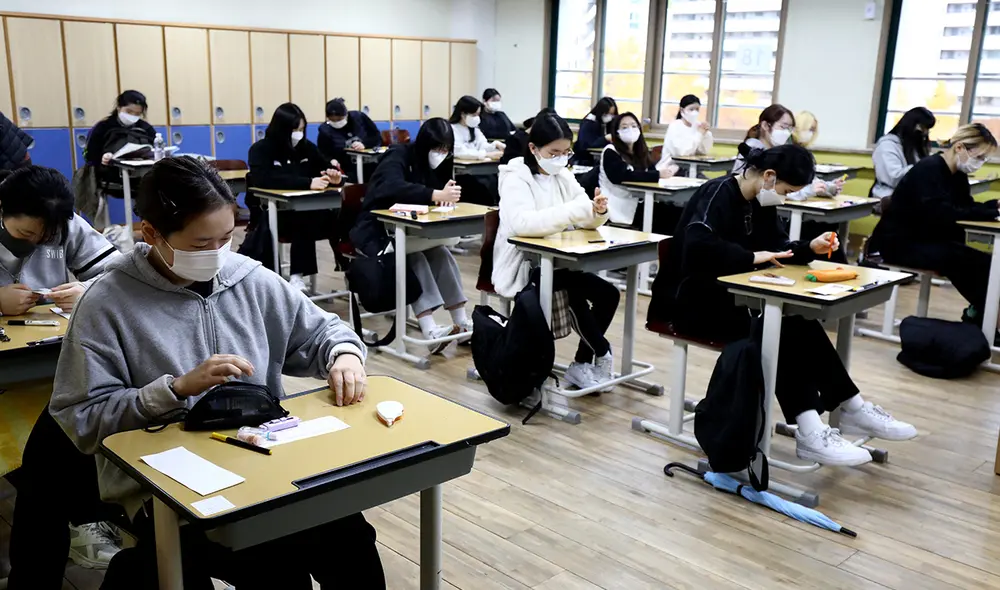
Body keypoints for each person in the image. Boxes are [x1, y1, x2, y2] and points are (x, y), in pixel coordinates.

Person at [47, 156, 385, 590]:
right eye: (200, 244)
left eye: (226, 238)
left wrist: (345, 356)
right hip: (165, 485)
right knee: (274, 566)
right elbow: (81, 419)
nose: (217, 255)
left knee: (348, 535)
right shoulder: (106, 304)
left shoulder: (248, 279)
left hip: (264, 460)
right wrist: (173, 390)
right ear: (151, 234)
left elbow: (326, 331)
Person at [649, 143, 917, 466]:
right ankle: (814, 425)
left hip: (737, 300)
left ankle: (849, 407)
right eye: (787, 191)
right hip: (694, 305)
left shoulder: (763, 203)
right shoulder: (716, 194)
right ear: (769, 176)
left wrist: (809, 249)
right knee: (776, 326)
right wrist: (749, 257)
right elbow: (695, 247)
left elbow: (777, 248)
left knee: (793, 318)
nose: (786, 198)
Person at [3, 166, 125, 590]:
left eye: (46, 238)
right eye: (25, 234)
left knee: (72, 425)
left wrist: (91, 289)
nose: (36, 243)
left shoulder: (64, 224)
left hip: (51, 358)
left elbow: (120, 272)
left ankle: (80, 517)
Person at [495, 110, 620, 391]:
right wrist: (574, 211)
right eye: (554, 152)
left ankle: (581, 363)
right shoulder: (516, 177)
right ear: (533, 148)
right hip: (524, 265)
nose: (562, 158)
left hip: (560, 261)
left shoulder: (562, 175)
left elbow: (583, 212)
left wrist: (598, 211)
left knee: (609, 294)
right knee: (571, 291)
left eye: (567, 151)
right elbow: (521, 224)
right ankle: (603, 352)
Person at [350, 118, 472, 351]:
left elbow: (439, 195)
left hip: (413, 232)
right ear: (424, 144)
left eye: (446, 149)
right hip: (375, 231)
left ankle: (461, 322)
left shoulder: (441, 162)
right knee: (412, 257)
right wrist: (435, 194)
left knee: (441, 253)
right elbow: (391, 187)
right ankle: (429, 328)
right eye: (437, 148)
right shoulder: (398, 155)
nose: (441, 154)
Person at [870, 123, 1000, 333]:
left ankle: (987, 316)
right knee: (962, 259)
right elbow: (942, 213)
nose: (980, 164)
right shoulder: (928, 169)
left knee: (987, 262)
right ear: (959, 147)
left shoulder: (957, 174)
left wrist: (993, 206)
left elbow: (964, 206)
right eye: (979, 157)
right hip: (900, 243)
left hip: (928, 239)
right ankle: (987, 318)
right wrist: (987, 212)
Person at [247, 102, 343, 292]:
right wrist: (307, 183)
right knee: (302, 216)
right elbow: (264, 179)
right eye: (295, 129)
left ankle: (349, 271)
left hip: (309, 213)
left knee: (342, 217)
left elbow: (324, 167)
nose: (299, 134)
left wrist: (335, 178)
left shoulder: (306, 148)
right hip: (274, 214)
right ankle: (296, 276)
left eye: (302, 129)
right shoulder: (261, 149)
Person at [598, 112, 679, 228]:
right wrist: (657, 175)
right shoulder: (611, 151)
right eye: (624, 127)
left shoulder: (641, 152)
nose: (630, 130)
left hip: (640, 201)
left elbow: (650, 171)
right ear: (616, 132)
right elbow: (621, 177)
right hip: (618, 205)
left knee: (677, 212)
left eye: (634, 126)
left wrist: (664, 173)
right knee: (668, 218)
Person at [84, 90, 156, 183]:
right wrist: (103, 158)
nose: (133, 116)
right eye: (129, 111)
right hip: (112, 173)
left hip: (143, 172)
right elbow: (89, 155)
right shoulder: (103, 126)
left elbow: (156, 147)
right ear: (119, 107)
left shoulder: (145, 128)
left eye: (137, 114)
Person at [871, 106, 936, 201]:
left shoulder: (913, 145)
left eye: (927, 129)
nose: (925, 133)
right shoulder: (887, 145)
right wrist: (923, 167)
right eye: (922, 128)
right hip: (889, 197)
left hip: (911, 196)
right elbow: (894, 178)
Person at [449, 95, 504, 205]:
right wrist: (485, 155)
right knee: (483, 188)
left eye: (478, 114)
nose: (476, 117)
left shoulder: (474, 129)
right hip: (463, 174)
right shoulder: (452, 129)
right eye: (474, 114)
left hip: (479, 170)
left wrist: (494, 145)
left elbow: (482, 144)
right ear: (463, 114)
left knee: (496, 182)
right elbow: (460, 152)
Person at [316, 97, 381, 182]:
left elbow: (376, 135)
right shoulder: (325, 130)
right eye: (332, 120)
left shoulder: (359, 118)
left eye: (339, 119)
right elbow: (322, 152)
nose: (336, 122)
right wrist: (331, 161)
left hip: (370, 164)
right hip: (346, 168)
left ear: (346, 114)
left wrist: (365, 144)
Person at [731, 104, 795, 174]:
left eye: (789, 128)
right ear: (765, 125)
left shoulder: (777, 151)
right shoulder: (752, 149)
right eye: (783, 127)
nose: (786, 133)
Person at [572, 97, 618, 165]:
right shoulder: (589, 122)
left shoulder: (607, 122)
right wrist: (605, 138)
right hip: (585, 159)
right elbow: (588, 143)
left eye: (612, 114)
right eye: (607, 114)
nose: (610, 117)